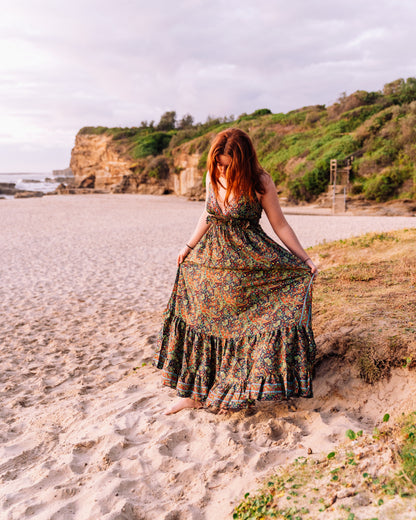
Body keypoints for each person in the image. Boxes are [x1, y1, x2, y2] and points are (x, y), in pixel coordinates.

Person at [154, 128, 318, 415]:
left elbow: (280, 225)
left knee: (245, 326)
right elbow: (208, 213)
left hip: (249, 263)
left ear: (241, 161)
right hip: (211, 261)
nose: (222, 168)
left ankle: (241, 385)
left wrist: (304, 260)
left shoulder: (260, 182)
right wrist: (188, 246)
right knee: (202, 322)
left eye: (227, 164)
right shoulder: (212, 175)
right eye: (218, 163)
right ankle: (194, 394)